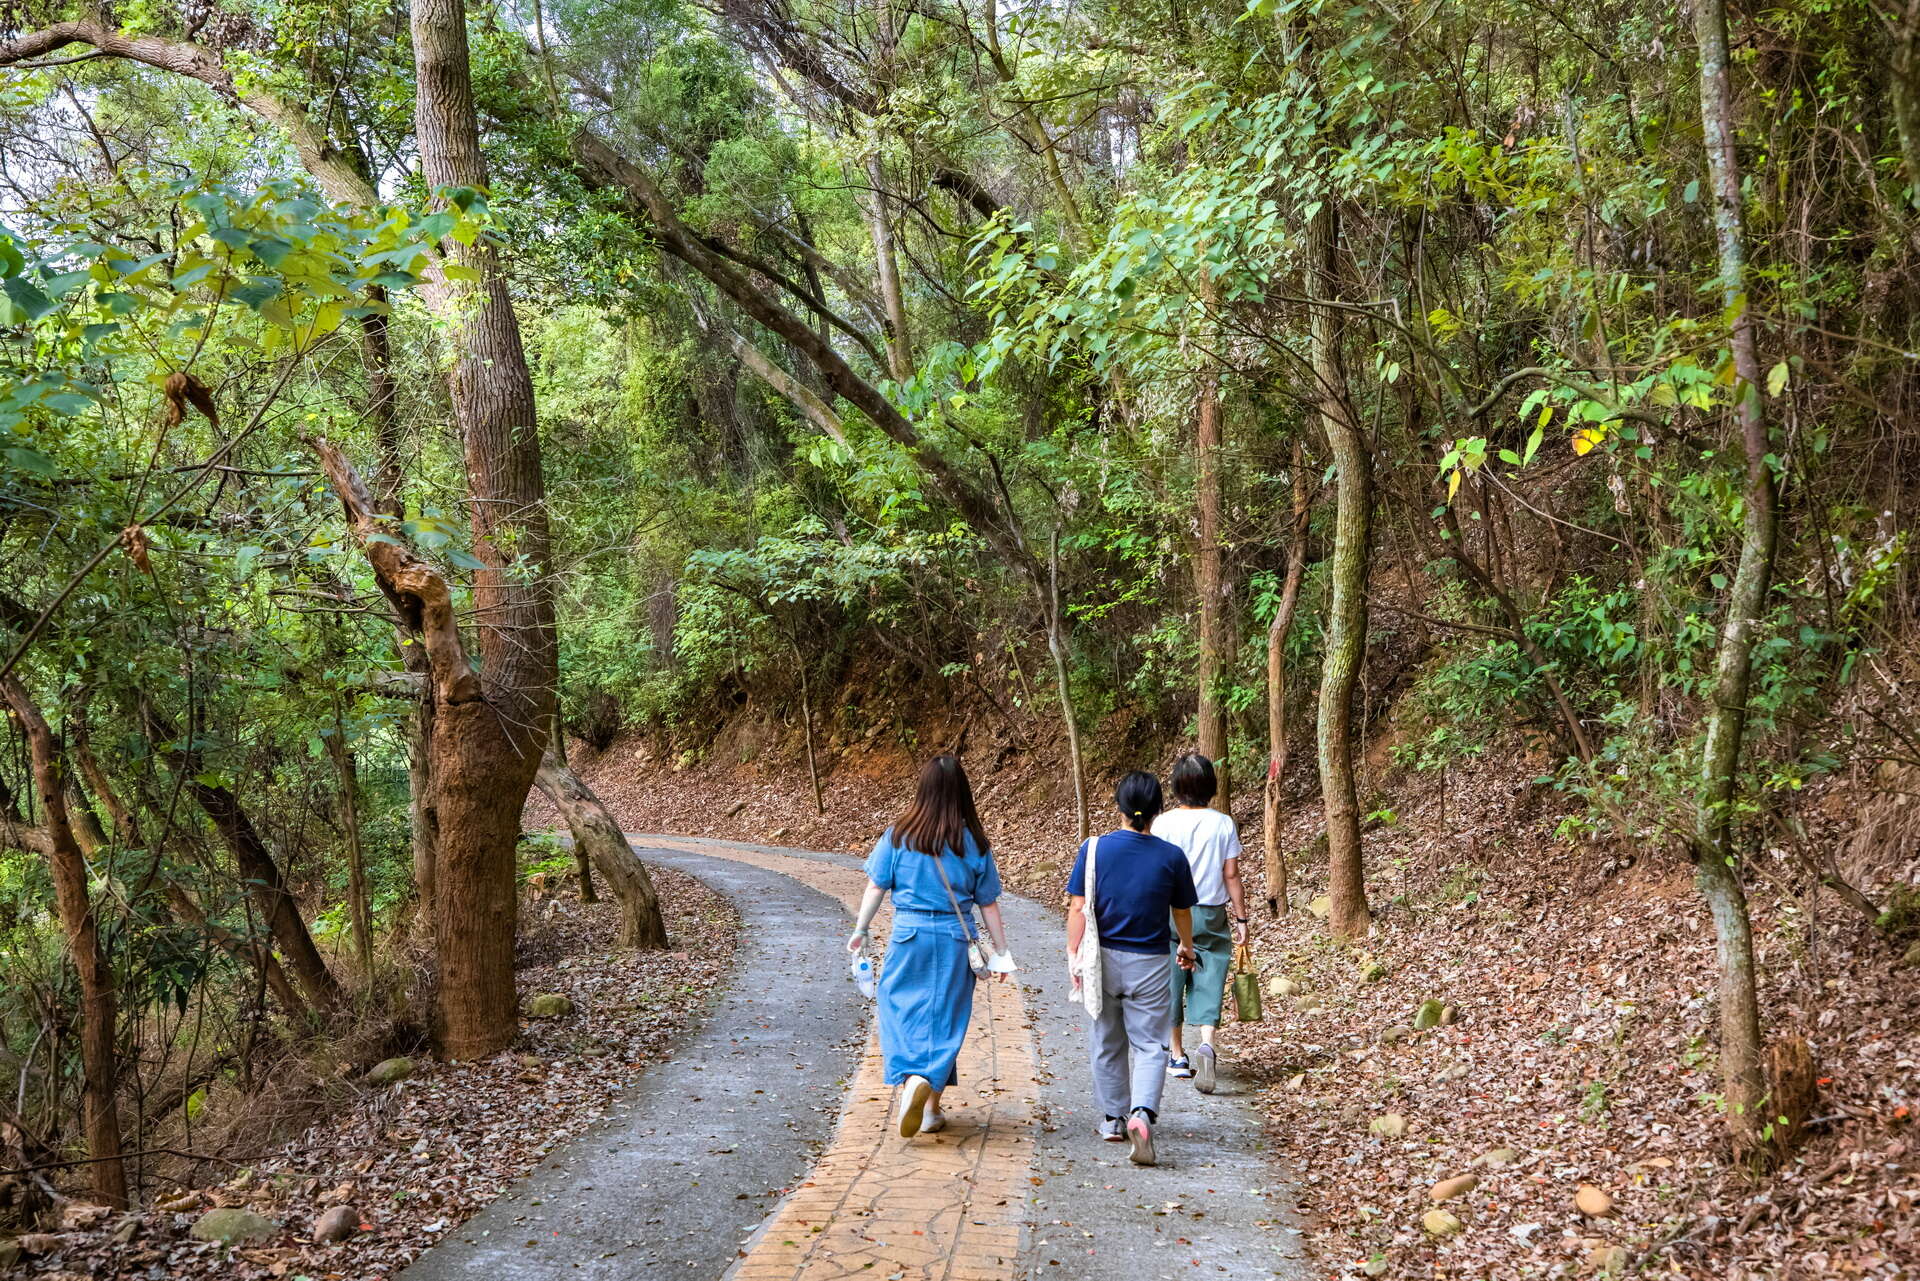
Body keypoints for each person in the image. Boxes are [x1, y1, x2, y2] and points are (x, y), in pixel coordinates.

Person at [847, 755, 1013, 1139]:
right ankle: (927, 1096)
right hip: (956, 937)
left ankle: (920, 1094)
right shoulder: (973, 841)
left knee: (897, 1007)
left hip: (909, 934)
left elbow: (876, 885)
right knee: (944, 1020)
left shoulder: (899, 835)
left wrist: (861, 928)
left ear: (923, 788)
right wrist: (1002, 953)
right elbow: (988, 903)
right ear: (962, 793)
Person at [1065, 770, 1198, 1166]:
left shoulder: (1093, 850)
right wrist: (1187, 948)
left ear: (1119, 807)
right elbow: (1181, 911)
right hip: (1151, 963)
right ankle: (1142, 1114)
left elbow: (1077, 907)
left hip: (1102, 959)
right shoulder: (1171, 857)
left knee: (1107, 1038)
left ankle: (1112, 1119)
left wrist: (1074, 957)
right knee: (1150, 1043)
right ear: (1158, 809)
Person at [1151, 753, 1249, 1095]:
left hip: (1169, 910)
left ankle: (1176, 1055)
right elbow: (1231, 874)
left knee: (1170, 976)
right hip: (1210, 910)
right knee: (1209, 973)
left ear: (1177, 785)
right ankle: (1207, 1042)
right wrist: (1241, 918)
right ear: (1210, 785)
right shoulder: (1223, 823)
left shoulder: (1162, 824)